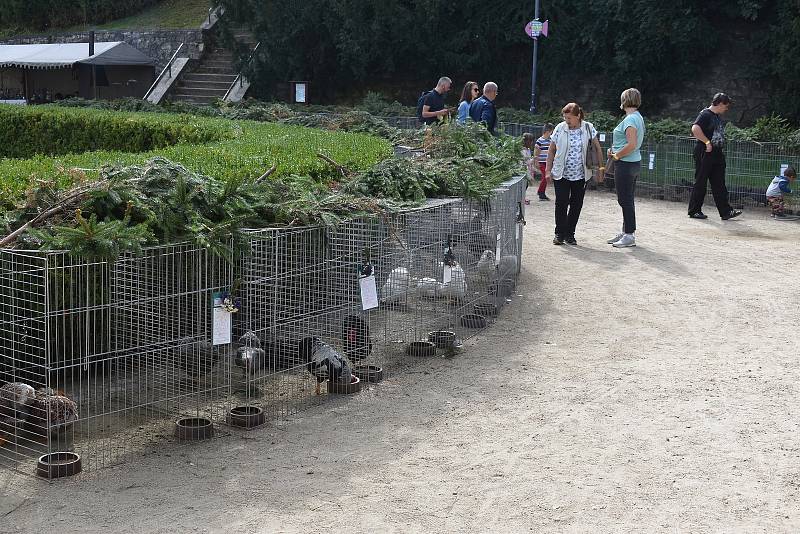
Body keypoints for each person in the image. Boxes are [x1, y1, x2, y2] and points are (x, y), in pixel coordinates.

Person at [545, 103, 604, 245]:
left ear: (578, 116)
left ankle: (570, 234)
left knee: (576, 204)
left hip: (581, 175)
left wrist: (601, 168)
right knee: (561, 203)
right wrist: (548, 170)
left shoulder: (588, 127)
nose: (567, 121)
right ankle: (559, 234)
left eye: (569, 118)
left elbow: (597, 148)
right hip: (561, 173)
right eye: (565, 118)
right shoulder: (560, 128)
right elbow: (551, 150)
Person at [688, 92, 742, 220]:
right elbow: (695, 129)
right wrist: (707, 142)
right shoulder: (705, 114)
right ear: (720, 103)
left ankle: (726, 212)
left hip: (717, 153)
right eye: (726, 106)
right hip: (705, 152)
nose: (726, 109)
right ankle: (694, 211)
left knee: (719, 183)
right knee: (701, 181)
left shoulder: (716, 116)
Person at [606, 88, 646, 248]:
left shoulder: (630, 120)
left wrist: (617, 155)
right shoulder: (637, 117)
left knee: (625, 199)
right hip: (633, 163)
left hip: (626, 164)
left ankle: (629, 235)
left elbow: (631, 144)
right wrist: (615, 150)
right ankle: (626, 232)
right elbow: (630, 144)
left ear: (625, 100)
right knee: (627, 199)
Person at [533, 123, 554, 201]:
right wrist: (536, 160)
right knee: (545, 177)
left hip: (548, 162)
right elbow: (536, 151)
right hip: (542, 162)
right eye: (551, 131)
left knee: (545, 177)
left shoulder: (551, 140)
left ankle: (542, 192)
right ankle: (541, 192)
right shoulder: (540, 140)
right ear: (548, 131)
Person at [521, 133, 536, 204]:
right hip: (522, 170)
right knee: (523, 186)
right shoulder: (523, 150)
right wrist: (533, 160)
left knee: (526, 185)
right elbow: (526, 161)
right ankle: (521, 199)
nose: (532, 143)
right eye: (531, 141)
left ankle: (523, 198)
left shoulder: (528, 150)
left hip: (527, 170)